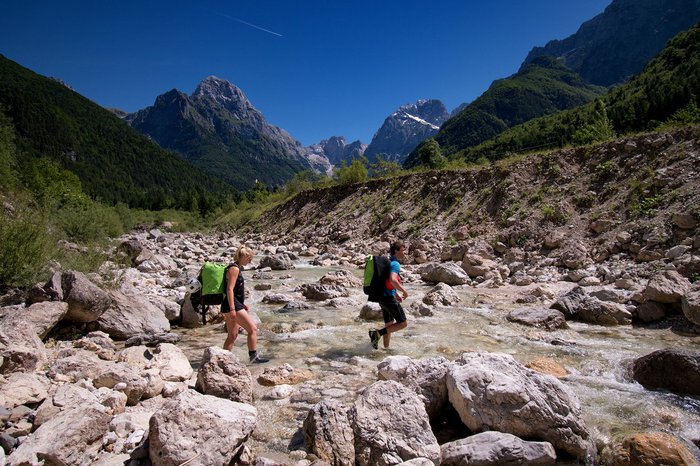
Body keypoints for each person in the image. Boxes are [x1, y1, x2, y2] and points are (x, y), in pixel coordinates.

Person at [222, 245, 269, 363]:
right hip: (232, 305)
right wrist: (233, 308)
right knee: (253, 329)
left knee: (232, 336)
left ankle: (223, 359)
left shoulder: (235, 267)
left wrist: (241, 305)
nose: (250, 261)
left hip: (231, 304)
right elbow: (229, 289)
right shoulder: (234, 269)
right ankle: (254, 358)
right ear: (244, 256)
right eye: (249, 258)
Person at [369, 241, 409, 349]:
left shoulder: (388, 261)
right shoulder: (395, 264)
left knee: (389, 325)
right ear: (396, 251)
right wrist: (405, 292)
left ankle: (386, 349)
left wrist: (395, 293)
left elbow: (386, 281)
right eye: (402, 250)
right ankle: (377, 334)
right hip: (388, 298)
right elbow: (392, 280)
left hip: (382, 296)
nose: (404, 253)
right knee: (403, 323)